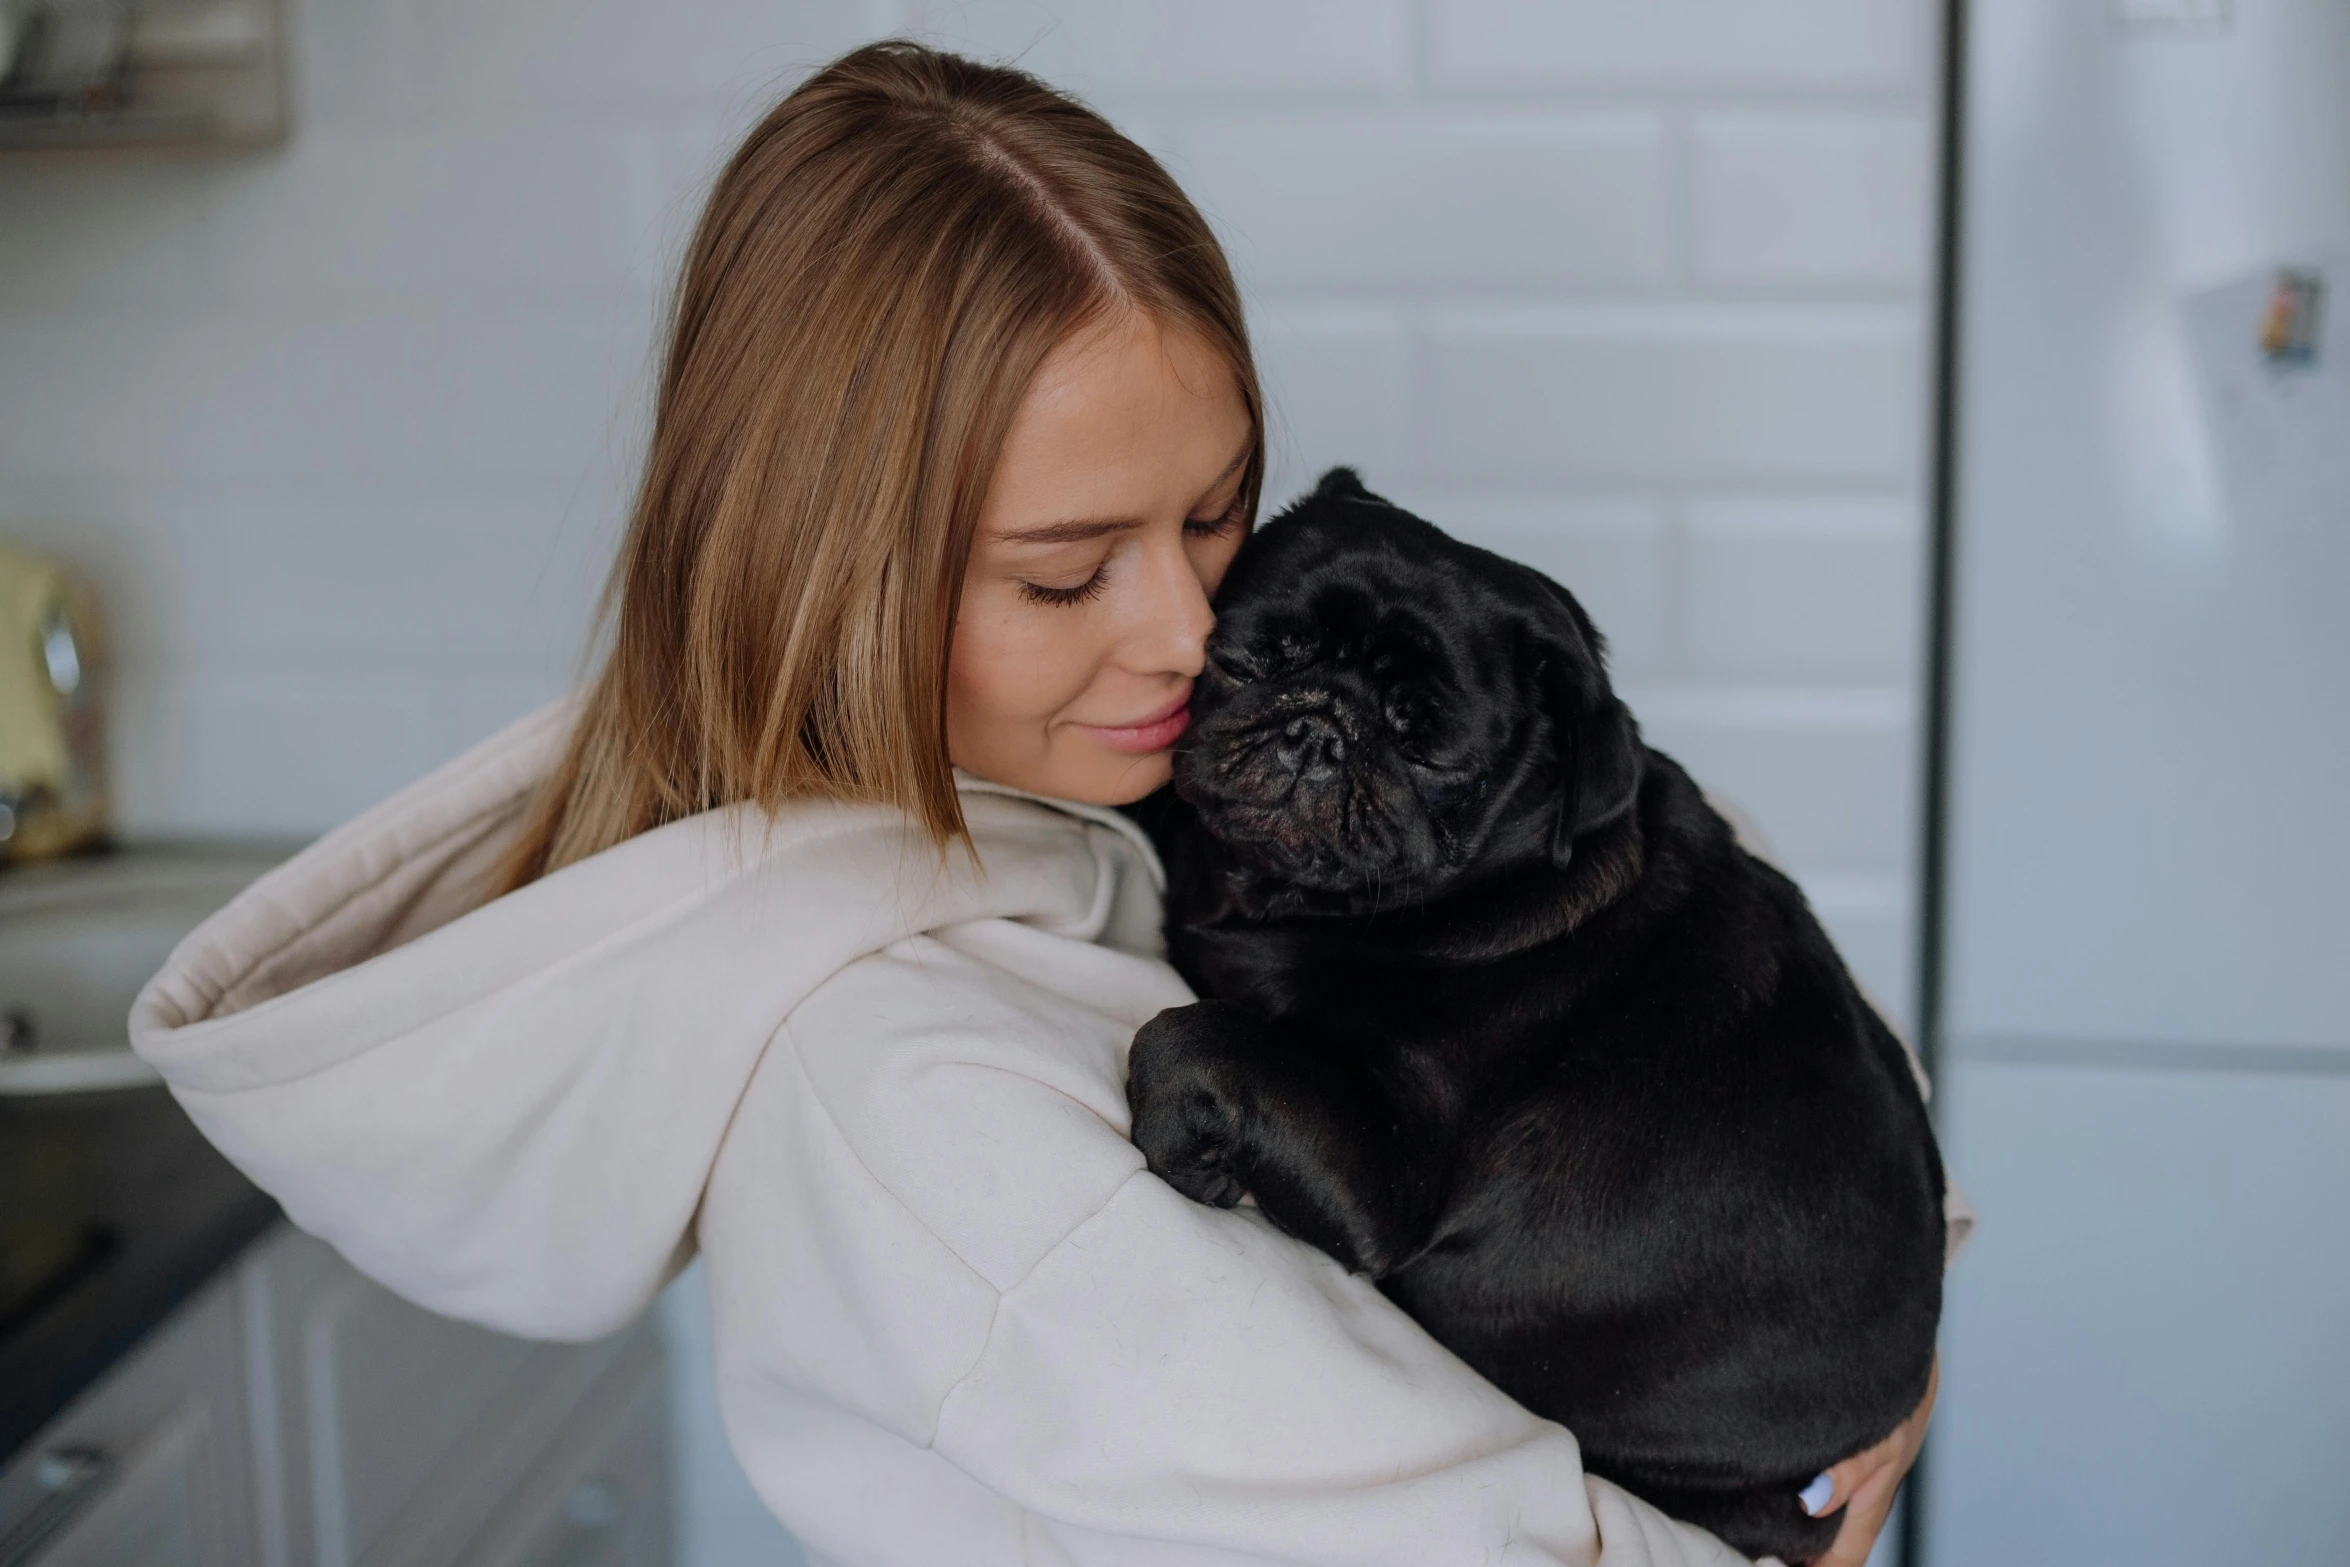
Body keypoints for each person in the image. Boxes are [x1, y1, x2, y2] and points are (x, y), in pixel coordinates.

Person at [133, 41, 1946, 1567]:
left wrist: (1875, 1290)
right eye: (1068, 573)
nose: (1188, 628)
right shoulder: (910, 1096)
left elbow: (1697, 938)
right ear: (836, 575)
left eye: (1217, 514)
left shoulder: (1100, 804)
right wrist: (1796, 1476)